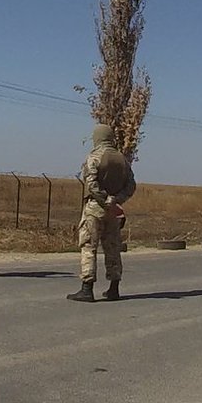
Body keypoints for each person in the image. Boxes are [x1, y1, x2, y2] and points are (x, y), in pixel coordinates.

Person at [68, 123, 137, 302]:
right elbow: (131, 186)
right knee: (112, 248)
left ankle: (87, 289)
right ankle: (114, 288)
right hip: (113, 211)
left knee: (89, 246)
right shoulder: (122, 159)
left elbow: (91, 184)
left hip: (95, 208)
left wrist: (104, 199)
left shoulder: (94, 157)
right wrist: (116, 200)